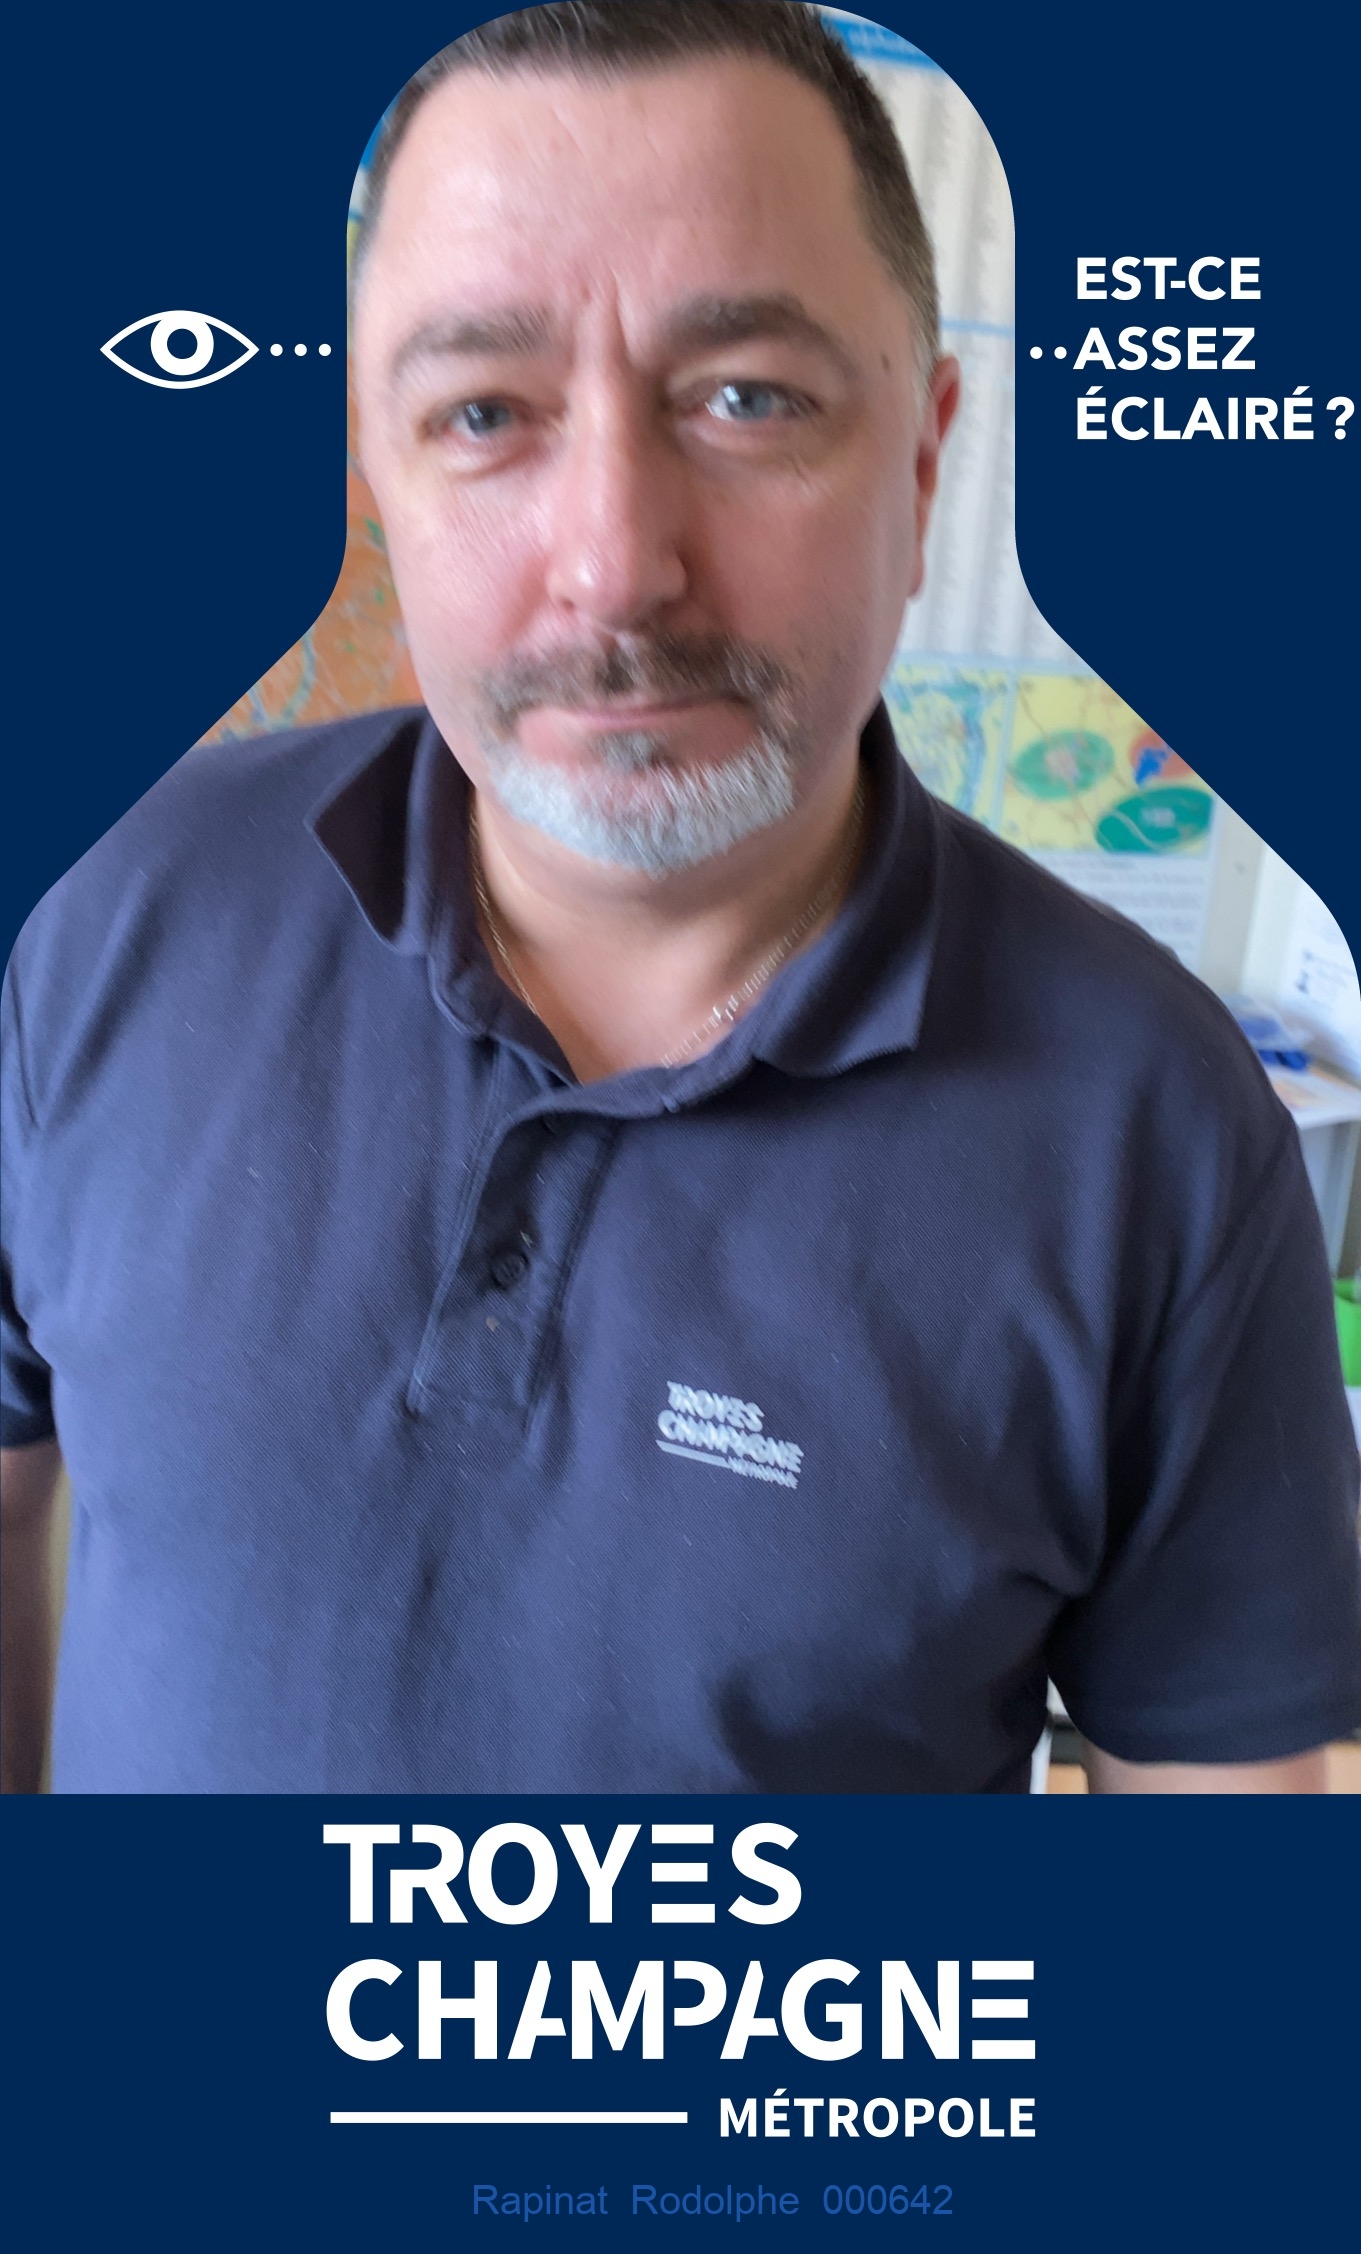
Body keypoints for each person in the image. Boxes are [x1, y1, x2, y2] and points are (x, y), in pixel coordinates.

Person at [3, 1, 1358, 1796]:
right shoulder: (91, 915)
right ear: (375, 467)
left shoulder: (1160, 1132)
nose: (616, 563)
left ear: (925, 455)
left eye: (746, 398)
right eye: (483, 413)